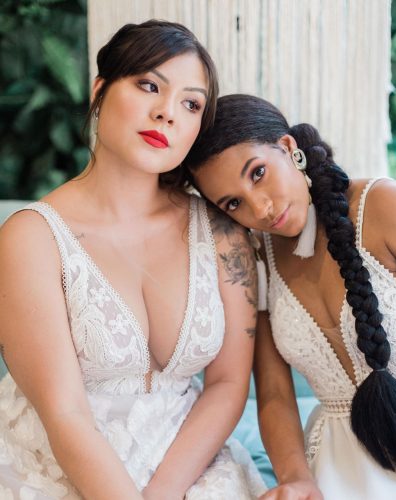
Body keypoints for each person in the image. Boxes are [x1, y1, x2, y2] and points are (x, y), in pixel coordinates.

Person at [0, 25, 267, 499]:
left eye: (191, 104)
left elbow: (228, 384)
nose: (167, 112)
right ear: (100, 91)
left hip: (188, 465)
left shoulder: (221, 232)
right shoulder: (32, 237)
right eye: (149, 85)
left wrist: (164, 491)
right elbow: (64, 413)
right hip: (58, 465)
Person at [183, 93, 396, 500]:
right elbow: (274, 394)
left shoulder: (384, 206)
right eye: (234, 203)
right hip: (338, 467)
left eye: (258, 173)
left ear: (287, 147)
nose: (260, 209)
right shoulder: (257, 261)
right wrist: (296, 479)